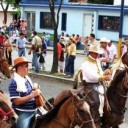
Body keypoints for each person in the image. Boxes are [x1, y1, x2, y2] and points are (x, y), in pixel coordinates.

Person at [8, 57, 47, 128]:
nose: (28, 68)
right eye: (26, 66)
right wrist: (32, 95)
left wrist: (36, 87)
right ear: (19, 68)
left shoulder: (26, 78)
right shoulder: (14, 83)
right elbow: (16, 101)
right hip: (23, 112)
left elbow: (28, 91)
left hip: (36, 109)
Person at [81, 44, 111, 128]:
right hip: (89, 85)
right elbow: (91, 76)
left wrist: (105, 73)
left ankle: (105, 117)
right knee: (95, 101)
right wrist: (103, 77)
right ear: (91, 52)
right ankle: (95, 121)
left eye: (97, 53)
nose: (97, 55)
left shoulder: (97, 61)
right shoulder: (86, 63)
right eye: (96, 53)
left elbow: (100, 71)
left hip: (98, 83)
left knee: (110, 95)